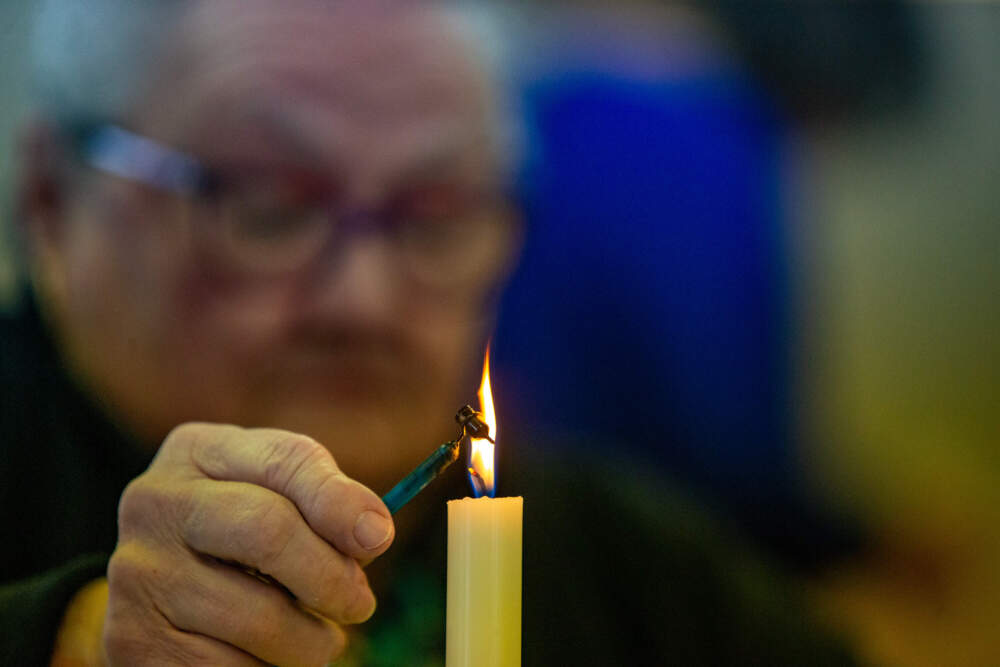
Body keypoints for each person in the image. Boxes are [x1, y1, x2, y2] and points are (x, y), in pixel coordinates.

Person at [1, 1, 859, 664]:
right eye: (267, 206)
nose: (363, 301)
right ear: (50, 196)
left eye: (435, 215)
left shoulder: (625, 575)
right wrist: (67, 638)